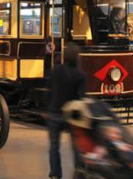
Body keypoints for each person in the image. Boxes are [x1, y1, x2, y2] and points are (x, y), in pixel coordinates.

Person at [47, 42, 86, 179]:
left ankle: (55, 174)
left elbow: (50, 90)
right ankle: (80, 171)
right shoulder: (80, 75)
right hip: (71, 115)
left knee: (54, 146)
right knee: (77, 146)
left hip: (54, 112)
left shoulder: (56, 70)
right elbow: (81, 97)